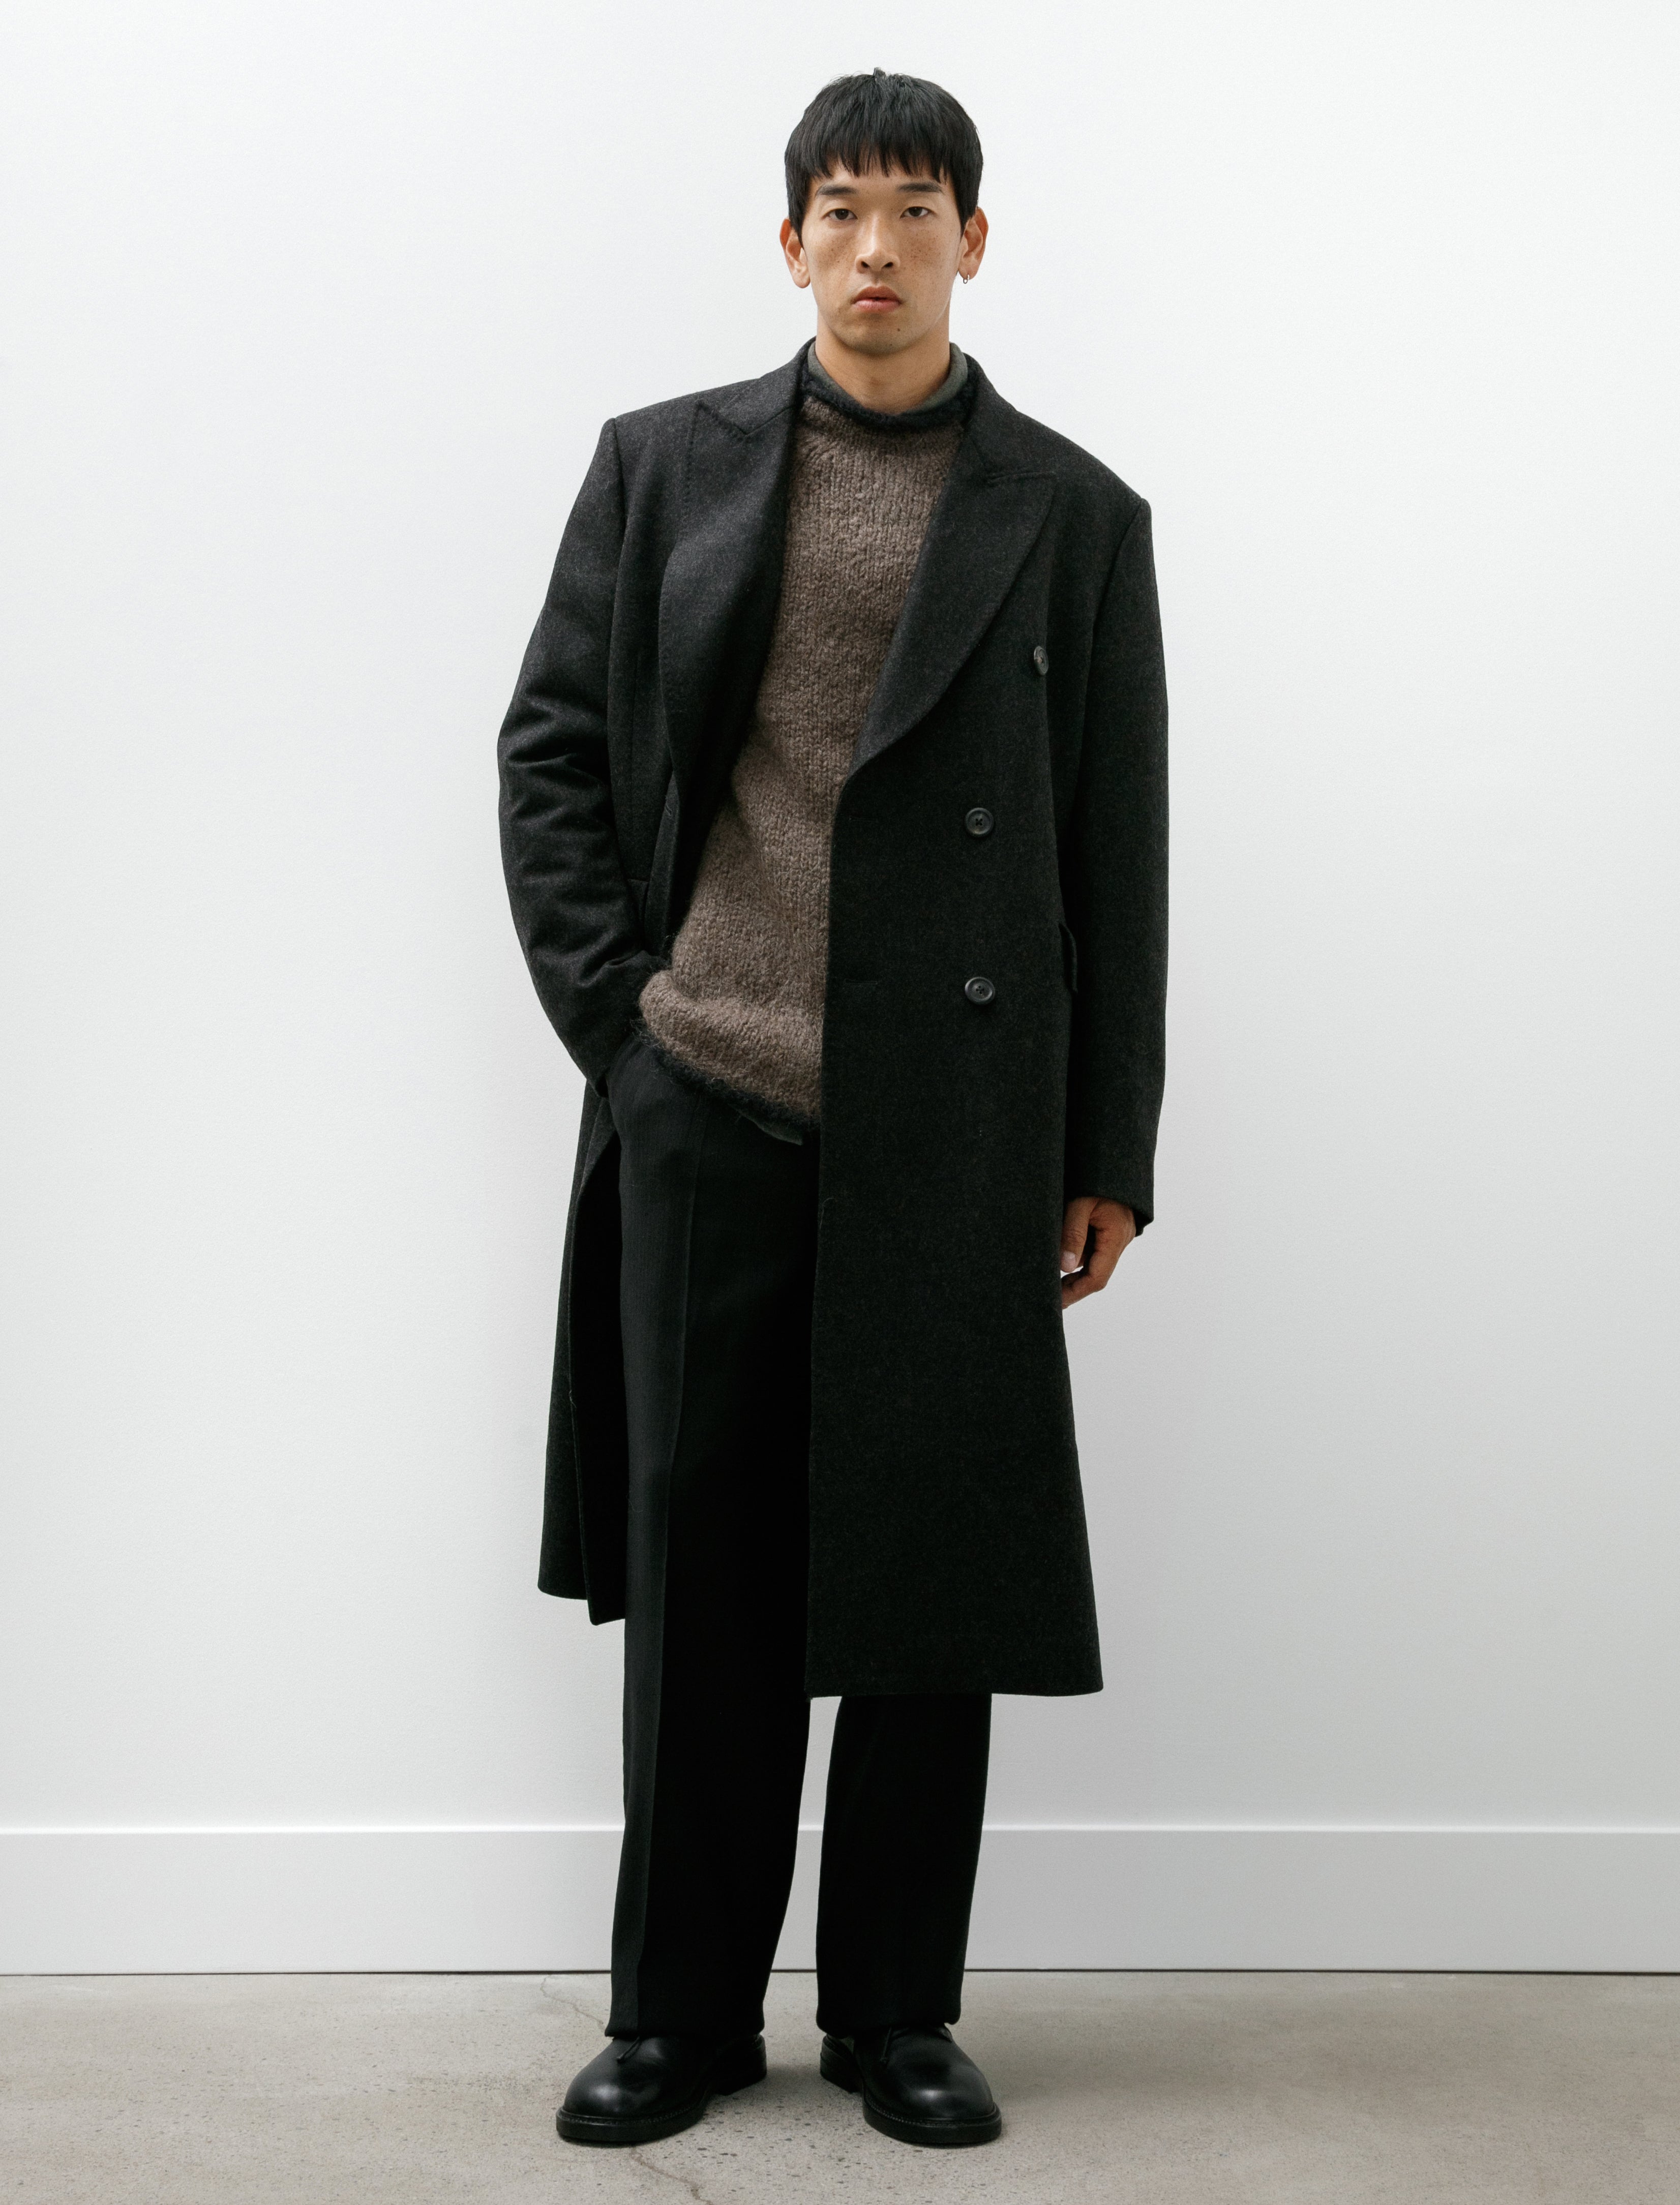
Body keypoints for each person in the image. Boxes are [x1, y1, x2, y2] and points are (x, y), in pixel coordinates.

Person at [497, 68, 1166, 2152]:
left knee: (925, 1585)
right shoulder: (661, 466)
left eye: (918, 210)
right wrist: (629, 1028)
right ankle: (678, 2015)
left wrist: (1106, 1147)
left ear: (977, 241)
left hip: (958, 1126)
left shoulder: (1073, 516)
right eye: (844, 210)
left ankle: (895, 2011)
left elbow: (1115, 848)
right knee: (704, 1584)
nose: (879, 247)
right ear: (789, 241)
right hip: (711, 1095)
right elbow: (548, 754)